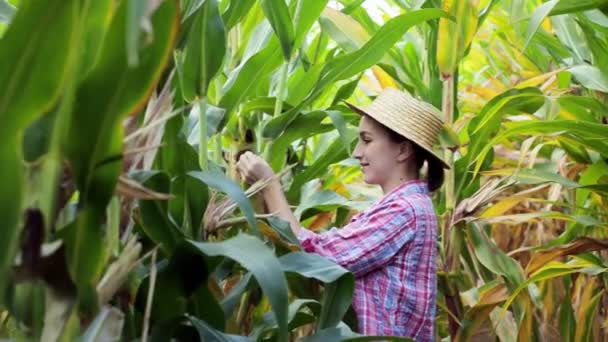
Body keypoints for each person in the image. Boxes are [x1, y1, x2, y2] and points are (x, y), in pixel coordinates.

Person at [236, 88, 449, 341]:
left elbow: (321, 259)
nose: (357, 152)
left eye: (367, 140)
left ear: (403, 150)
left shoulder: (405, 211)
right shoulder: (407, 206)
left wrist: (270, 185)